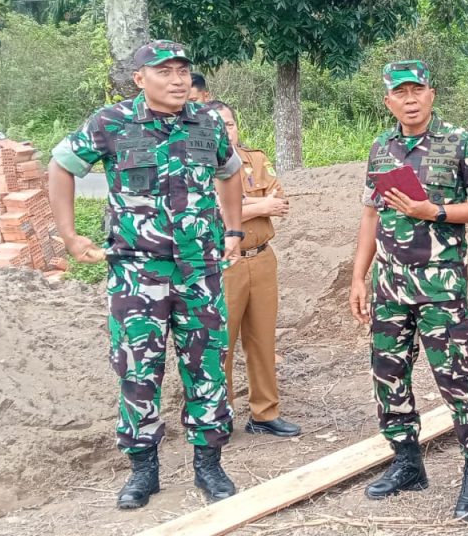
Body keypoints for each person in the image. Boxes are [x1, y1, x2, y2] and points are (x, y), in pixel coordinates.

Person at [47, 40, 243, 509]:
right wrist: (70, 236)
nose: (177, 79)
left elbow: (231, 172)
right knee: (138, 371)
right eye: (164, 72)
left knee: (207, 368)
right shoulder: (110, 123)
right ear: (140, 79)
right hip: (137, 275)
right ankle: (143, 470)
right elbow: (61, 166)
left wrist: (233, 229)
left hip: (199, 272)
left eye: (182, 70)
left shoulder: (208, 122)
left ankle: (209, 465)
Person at [348, 60, 468, 521]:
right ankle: (407, 462)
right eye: (401, 92)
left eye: (417, 90)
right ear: (388, 100)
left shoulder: (459, 141)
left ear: (431, 94)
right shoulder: (380, 148)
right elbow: (371, 216)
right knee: (388, 375)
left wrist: (430, 210)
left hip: (440, 286)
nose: (410, 99)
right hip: (389, 286)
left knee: (456, 377)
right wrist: (359, 276)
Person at [215, 103, 303, 437]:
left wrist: (242, 207)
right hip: (224, 264)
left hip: (263, 257)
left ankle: (264, 414)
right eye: (219, 126)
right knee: (220, 343)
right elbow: (208, 211)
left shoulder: (253, 159)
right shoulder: (197, 166)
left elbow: (279, 200)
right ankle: (218, 417)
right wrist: (259, 205)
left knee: (263, 340)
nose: (227, 132)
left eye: (231, 124)